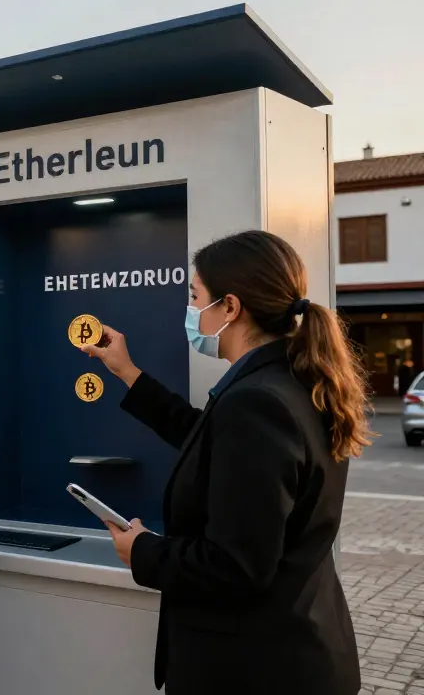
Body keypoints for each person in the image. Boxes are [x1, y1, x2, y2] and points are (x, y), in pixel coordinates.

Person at [80, 230, 367, 695]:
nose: (191, 311)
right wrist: (127, 373)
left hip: (257, 670)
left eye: (196, 297)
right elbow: (207, 439)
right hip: (297, 654)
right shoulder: (291, 382)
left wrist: (144, 552)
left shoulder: (257, 403)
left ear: (230, 307)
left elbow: (235, 566)